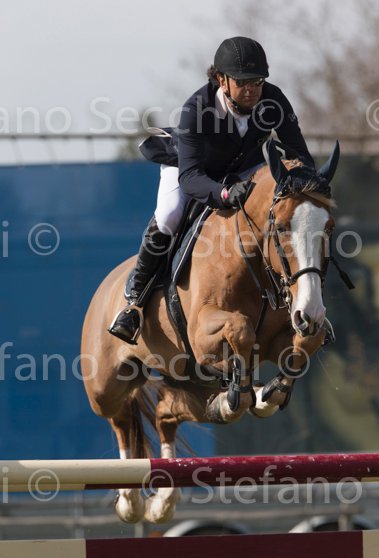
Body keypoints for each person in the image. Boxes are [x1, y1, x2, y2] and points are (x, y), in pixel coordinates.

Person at [108, 36, 315, 344]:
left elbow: (299, 153)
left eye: (257, 81)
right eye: (242, 82)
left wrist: (306, 183)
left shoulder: (274, 101)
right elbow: (191, 177)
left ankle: (304, 305)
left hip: (243, 169)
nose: (251, 89)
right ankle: (135, 301)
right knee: (169, 215)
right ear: (221, 79)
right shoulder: (196, 109)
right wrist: (225, 195)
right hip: (192, 168)